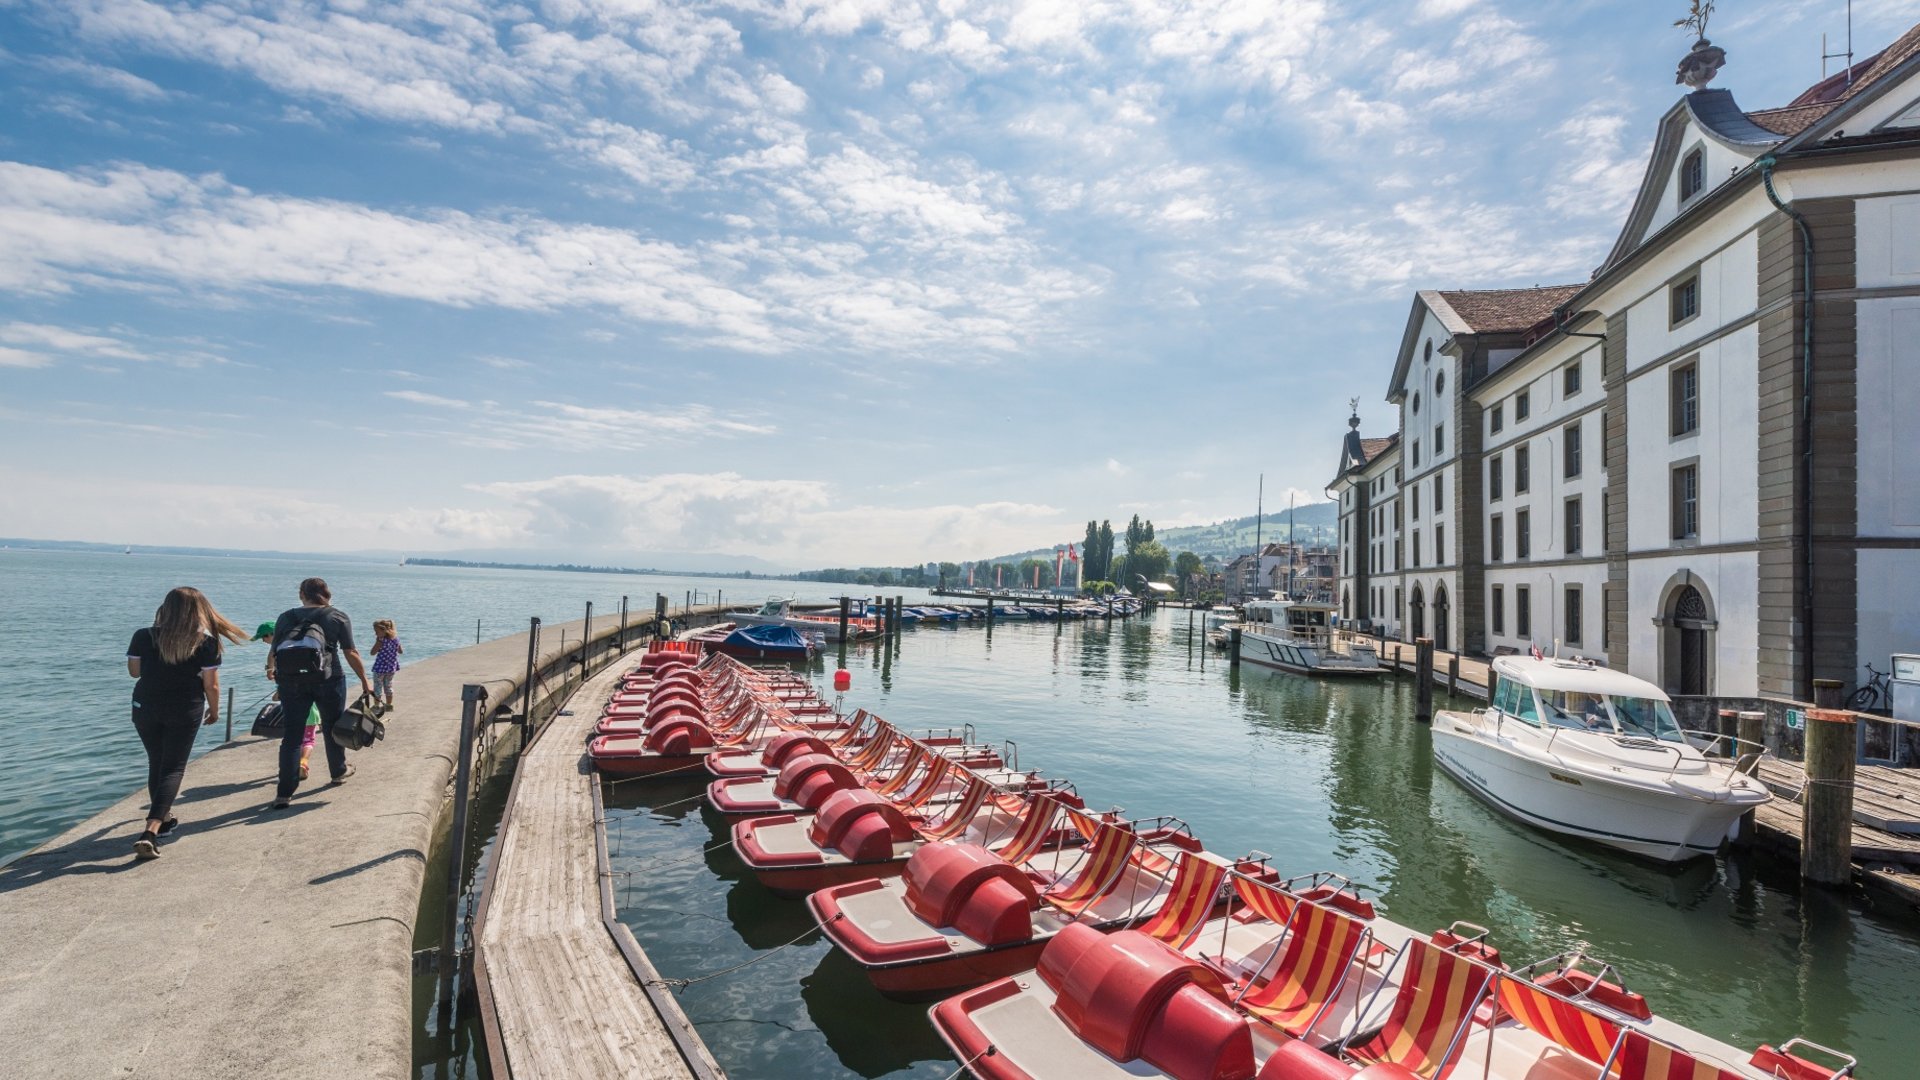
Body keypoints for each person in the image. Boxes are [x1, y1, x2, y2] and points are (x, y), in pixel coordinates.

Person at [126, 587, 249, 859]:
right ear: (200, 611)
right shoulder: (205, 643)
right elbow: (211, 685)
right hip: (184, 708)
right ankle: (151, 830)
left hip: (145, 706)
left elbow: (135, 672)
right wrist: (214, 711)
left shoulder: (143, 636)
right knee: (172, 768)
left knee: (156, 763)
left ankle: (165, 820)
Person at [266, 578, 372, 809]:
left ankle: (284, 792)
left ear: (302, 594)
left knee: (292, 736)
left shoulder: (285, 617)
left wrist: (272, 670)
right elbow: (350, 651)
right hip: (329, 678)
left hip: (291, 681)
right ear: (327, 594)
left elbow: (275, 649)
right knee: (333, 727)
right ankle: (338, 772)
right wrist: (365, 679)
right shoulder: (338, 616)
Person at [370, 619, 403, 712]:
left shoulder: (380, 641)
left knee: (377, 687)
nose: (375, 634)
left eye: (376, 632)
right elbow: (400, 651)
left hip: (380, 668)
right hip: (391, 668)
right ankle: (389, 705)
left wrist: (378, 643)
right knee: (388, 686)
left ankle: (376, 706)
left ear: (384, 630)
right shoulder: (396, 639)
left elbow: (372, 652)